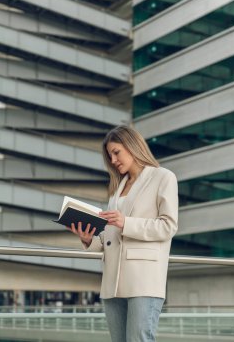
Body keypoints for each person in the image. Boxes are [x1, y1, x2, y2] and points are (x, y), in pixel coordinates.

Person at [69, 125, 178, 342]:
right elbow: (112, 236)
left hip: (143, 279)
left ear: (132, 146)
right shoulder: (118, 188)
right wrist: (89, 239)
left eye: (116, 152)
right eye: (110, 155)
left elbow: (168, 226)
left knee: (139, 339)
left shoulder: (163, 177)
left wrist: (126, 222)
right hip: (112, 281)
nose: (113, 159)